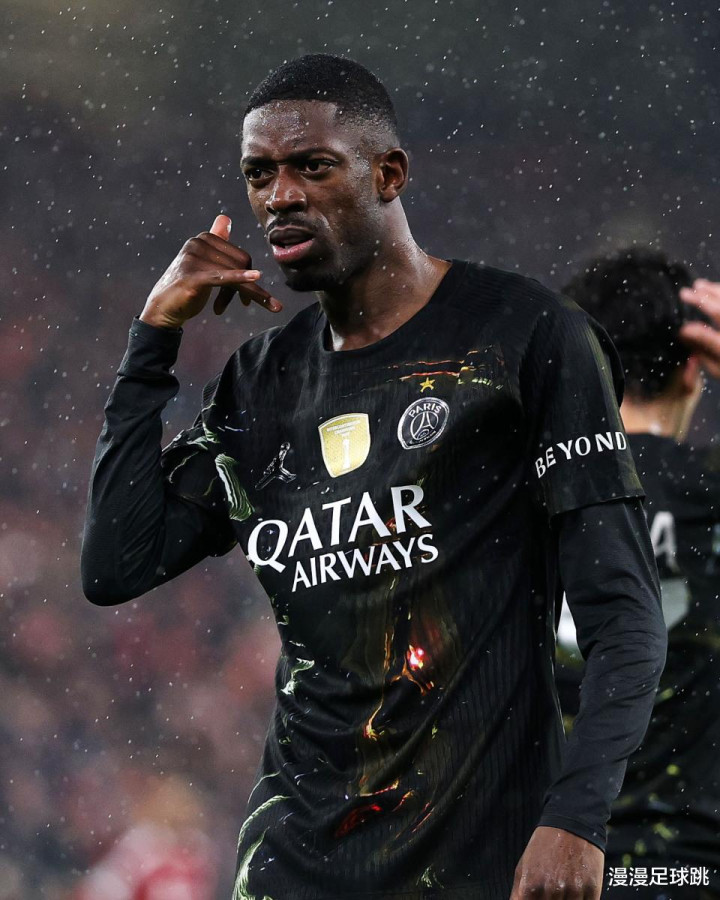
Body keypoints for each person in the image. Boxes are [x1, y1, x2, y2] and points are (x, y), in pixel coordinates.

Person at [81, 54, 667, 900]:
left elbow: (626, 616)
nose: (280, 196)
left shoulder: (525, 337)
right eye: (260, 174)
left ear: (389, 174)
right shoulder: (260, 383)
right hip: (292, 863)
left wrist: (578, 820)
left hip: (476, 856)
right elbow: (117, 563)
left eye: (313, 166)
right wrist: (152, 340)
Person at [555, 249, 720, 899]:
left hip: (545, 869)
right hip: (694, 869)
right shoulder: (709, 494)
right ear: (693, 367)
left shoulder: (513, 501)